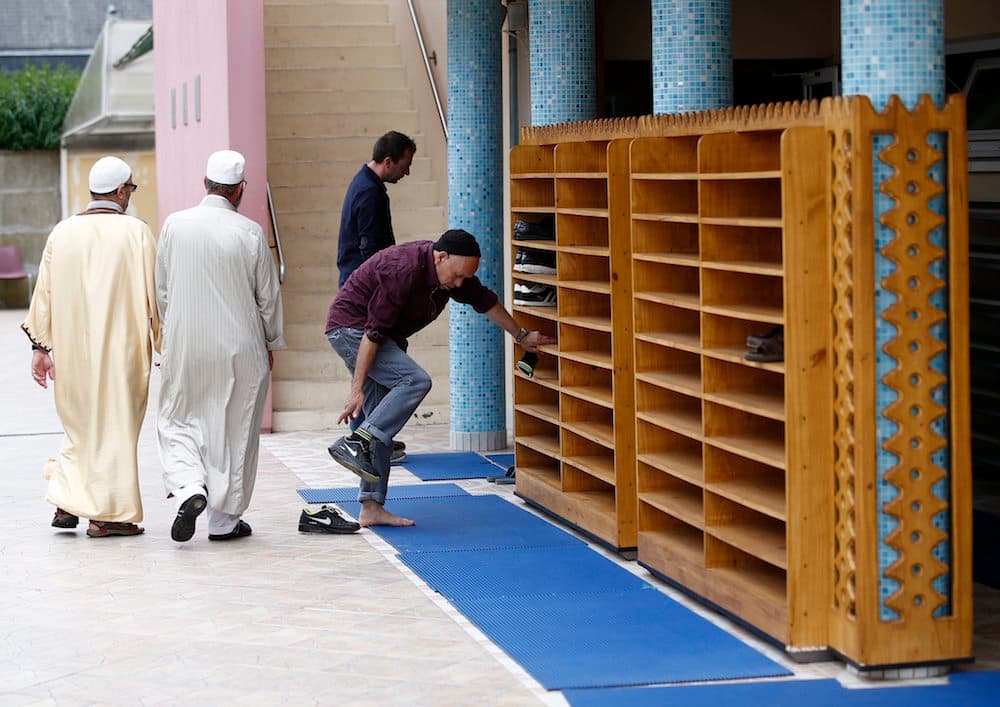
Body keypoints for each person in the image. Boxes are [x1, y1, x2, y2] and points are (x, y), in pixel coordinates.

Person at [325, 229, 555, 527]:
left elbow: (486, 302)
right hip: (352, 330)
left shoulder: (450, 276)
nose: (459, 284)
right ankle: (357, 440)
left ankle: (371, 507)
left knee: (381, 427)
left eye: (465, 278)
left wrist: (521, 336)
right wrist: (356, 389)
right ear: (441, 257)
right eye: (458, 275)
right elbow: (372, 333)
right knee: (414, 381)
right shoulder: (403, 269)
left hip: (378, 338)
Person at [22, 156, 160, 538]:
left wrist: (40, 349)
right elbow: (158, 295)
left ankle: (68, 501)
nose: (130, 195)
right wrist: (165, 343)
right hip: (122, 355)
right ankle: (107, 517)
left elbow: (43, 296)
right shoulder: (137, 233)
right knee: (115, 432)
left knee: (80, 429)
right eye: (130, 189)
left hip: (73, 355)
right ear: (121, 191)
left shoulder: (62, 233)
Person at [155, 150, 285, 543]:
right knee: (235, 431)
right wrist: (271, 340)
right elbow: (268, 297)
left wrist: (173, 333)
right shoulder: (250, 233)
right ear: (240, 189)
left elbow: (163, 290)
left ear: (205, 183)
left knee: (177, 420)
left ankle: (189, 487)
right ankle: (223, 522)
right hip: (240, 349)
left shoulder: (174, 225)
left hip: (185, 345)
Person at [336, 131, 416, 461]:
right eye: (405, 165)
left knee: (372, 369)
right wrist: (387, 293)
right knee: (373, 369)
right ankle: (367, 438)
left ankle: (371, 435)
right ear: (388, 161)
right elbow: (372, 253)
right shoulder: (369, 193)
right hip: (365, 292)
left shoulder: (365, 184)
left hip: (358, 285)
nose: (407, 172)